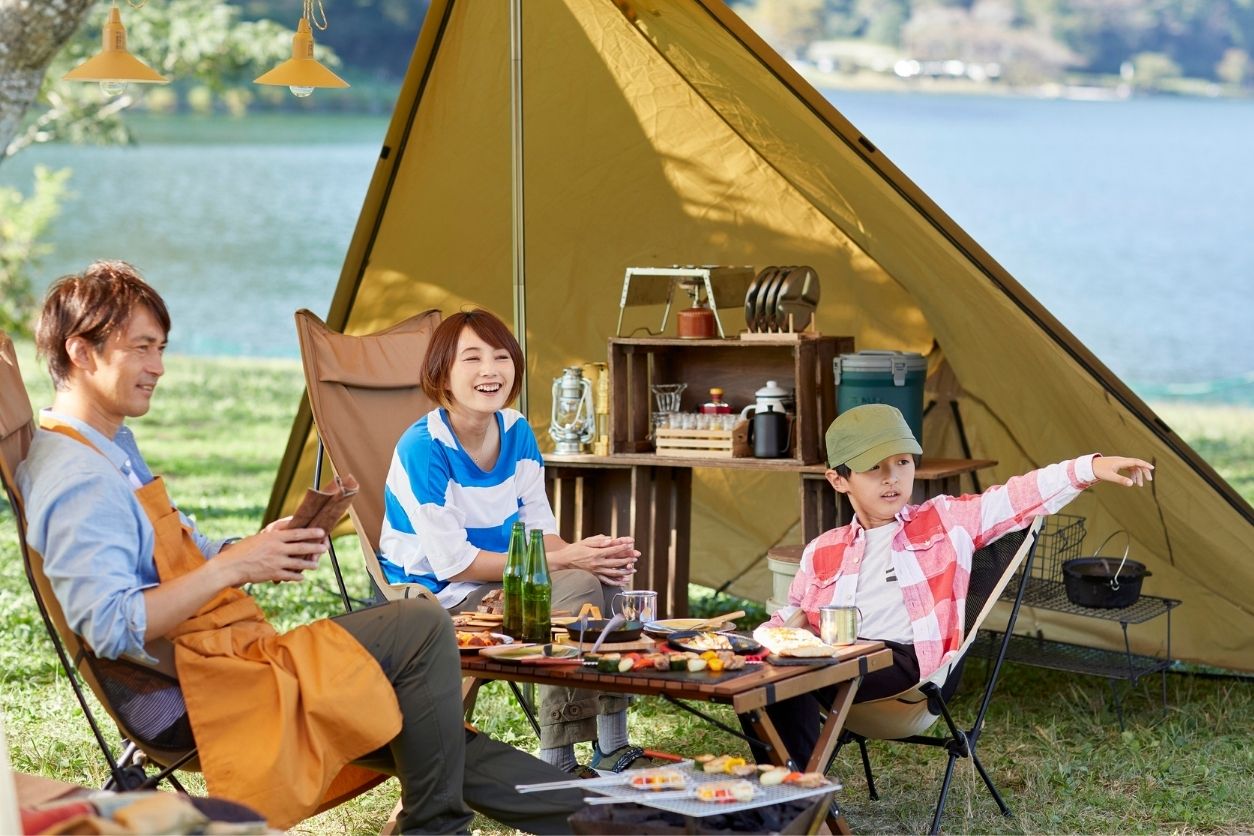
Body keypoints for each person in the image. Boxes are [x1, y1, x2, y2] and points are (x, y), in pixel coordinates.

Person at [16, 262, 586, 834]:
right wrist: (232, 568)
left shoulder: (107, 447)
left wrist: (260, 547)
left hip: (234, 654)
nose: (158, 367)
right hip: (208, 688)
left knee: (426, 717)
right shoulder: (77, 480)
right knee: (418, 631)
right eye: (142, 348)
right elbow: (111, 627)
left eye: (160, 348)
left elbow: (182, 546)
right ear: (82, 352)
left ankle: (611, 817)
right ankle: (472, 824)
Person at [749, 403, 1154, 768]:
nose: (892, 478)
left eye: (902, 462)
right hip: (836, 663)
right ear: (839, 480)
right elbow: (794, 617)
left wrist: (1089, 469)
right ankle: (785, 793)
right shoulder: (823, 549)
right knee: (766, 676)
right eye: (874, 467)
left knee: (799, 675)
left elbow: (1016, 498)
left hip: (909, 667)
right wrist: (765, 640)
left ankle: (795, 801)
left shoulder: (944, 522)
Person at [378, 309, 649, 774]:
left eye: (502, 357)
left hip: (497, 579)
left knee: (605, 584)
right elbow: (455, 564)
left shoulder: (516, 431)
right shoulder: (424, 448)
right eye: (472, 358)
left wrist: (586, 555)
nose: (490, 370)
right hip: (435, 596)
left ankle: (611, 745)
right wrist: (569, 563)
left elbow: (540, 532)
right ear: (442, 373)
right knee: (574, 592)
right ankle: (558, 760)